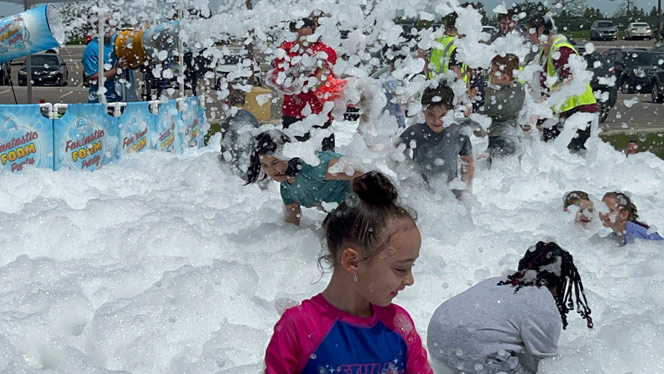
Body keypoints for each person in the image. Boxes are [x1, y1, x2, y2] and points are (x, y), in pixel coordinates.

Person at [264, 172, 434, 373]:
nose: (410, 280)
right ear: (352, 261)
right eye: (401, 268)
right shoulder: (299, 328)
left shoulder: (398, 325)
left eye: (411, 267)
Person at [428, 241, 593, 374]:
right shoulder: (542, 301)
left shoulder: (496, 282)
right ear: (561, 280)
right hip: (476, 355)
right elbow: (548, 363)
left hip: (436, 344)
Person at [246, 131, 359, 226]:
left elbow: (362, 170)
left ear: (287, 155)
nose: (270, 170)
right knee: (329, 229)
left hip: (364, 204)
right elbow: (292, 223)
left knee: (334, 231)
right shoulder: (287, 189)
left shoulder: (313, 165)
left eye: (275, 162)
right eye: (264, 165)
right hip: (344, 210)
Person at [527, 15, 597, 154]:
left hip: (580, 110)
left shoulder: (561, 50)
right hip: (560, 112)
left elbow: (571, 79)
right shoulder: (543, 53)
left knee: (575, 156)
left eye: (530, 32)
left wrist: (546, 99)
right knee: (550, 153)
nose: (528, 37)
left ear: (540, 31)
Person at [397, 84, 474, 198]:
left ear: (452, 110)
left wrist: (466, 189)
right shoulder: (416, 131)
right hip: (421, 195)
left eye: (443, 115)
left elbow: (468, 162)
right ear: (423, 111)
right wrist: (406, 174)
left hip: (450, 196)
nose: (437, 120)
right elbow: (395, 151)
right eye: (430, 114)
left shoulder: (458, 133)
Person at [273, 17, 337, 150]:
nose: (306, 41)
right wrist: (308, 66)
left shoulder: (324, 51)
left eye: (310, 36)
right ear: (292, 35)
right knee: (294, 156)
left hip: (320, 112)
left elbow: (328, 72)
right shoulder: (284, 52)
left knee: (326, 157)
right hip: (294, 112)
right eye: (301, 36)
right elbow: (285, 80)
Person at [81, 16, 138, 104]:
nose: (108, 25)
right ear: (96, 26)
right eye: (105, 22)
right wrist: (116, 70)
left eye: (110, 22)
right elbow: (93, 79)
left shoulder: (119, 41)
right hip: (104, 104)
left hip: (125, 102)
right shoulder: (91, 49)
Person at [481, 54, 526, 161]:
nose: (490, 73)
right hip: (516, 136)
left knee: (497, 172)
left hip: (499, 139)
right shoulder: (519, 87)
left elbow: (478, 120)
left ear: (504, 77)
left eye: (493, 71)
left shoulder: (497, 98)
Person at [219, 87, 261, 180]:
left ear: (227, 103)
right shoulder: (251, 118)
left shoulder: (229, 120)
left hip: (235, 163)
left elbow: (224, 146)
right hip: (251, 162)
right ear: (244, 102)